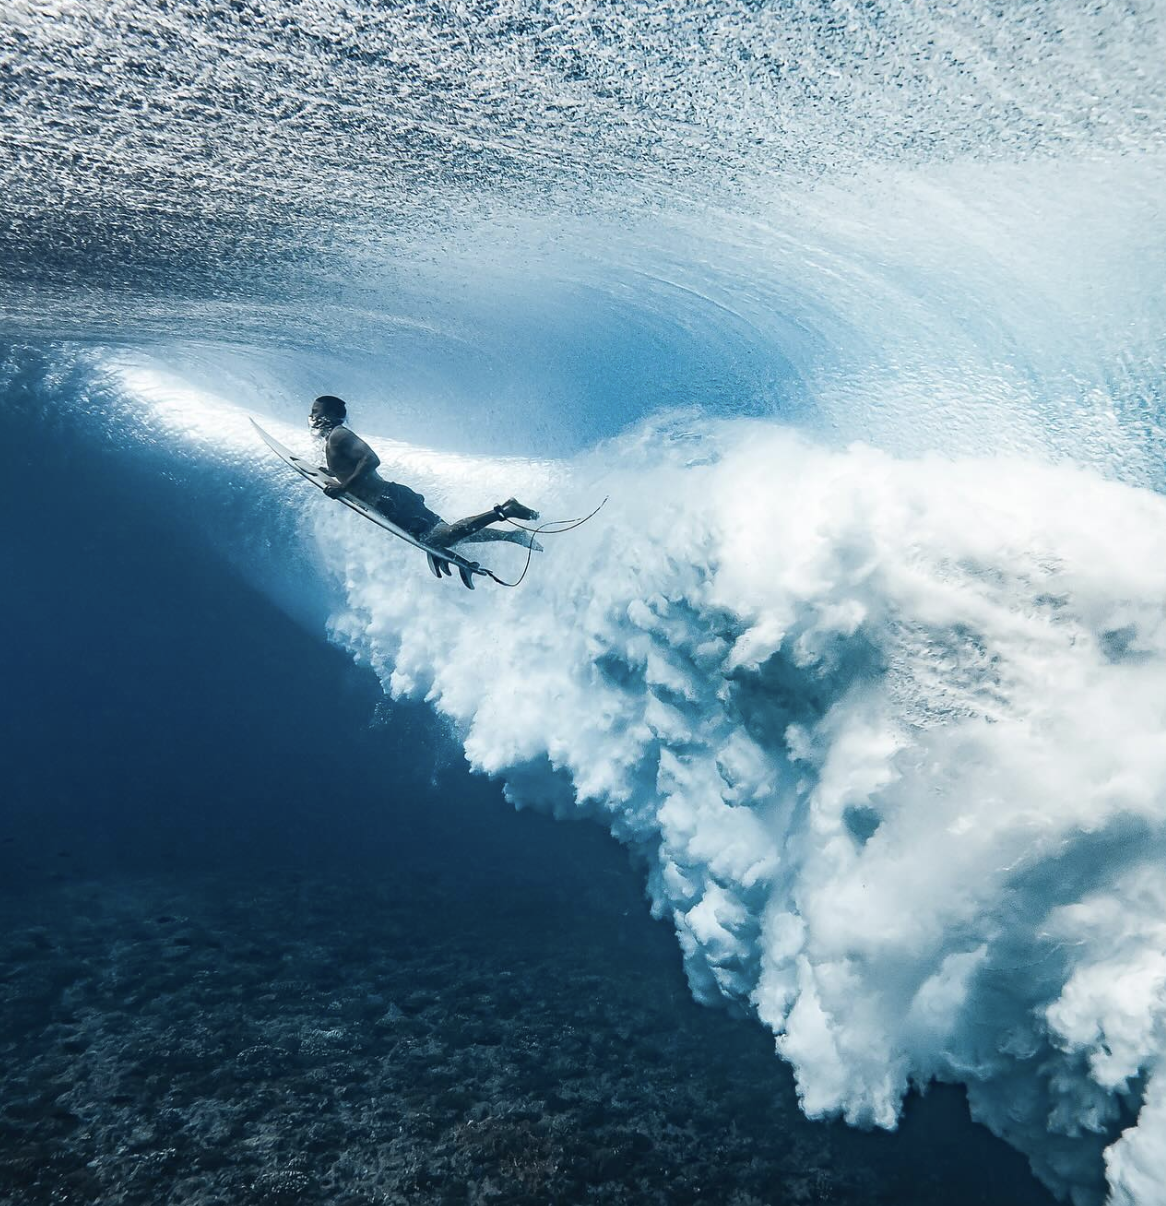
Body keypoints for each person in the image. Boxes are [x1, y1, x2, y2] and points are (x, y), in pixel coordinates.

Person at [309, 395, 540, 549]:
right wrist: (332, 472)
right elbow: (351, 465)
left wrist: (343, 487)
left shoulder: (339, 434)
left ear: (329, 415)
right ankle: (511, 536)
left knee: (443, 538)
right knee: (446, 533)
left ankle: (506, 510)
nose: (312, 417)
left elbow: (371, 460)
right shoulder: (333, 439)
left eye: (315, 411)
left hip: (390, 500)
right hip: (391, 499)